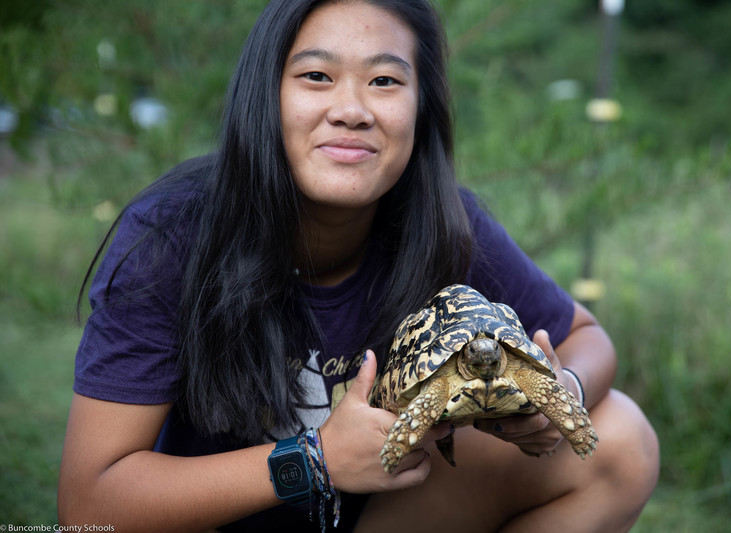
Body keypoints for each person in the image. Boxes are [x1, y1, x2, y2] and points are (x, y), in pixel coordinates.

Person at [58, 0, 660, 531]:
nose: (352, 109)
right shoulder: (173, 236)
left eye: (385, 81)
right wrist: (314, 458)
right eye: (316, 76)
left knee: (622, 440)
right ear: (264, 96)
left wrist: (559, 397)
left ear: (422, 107)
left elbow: (586, 336)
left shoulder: (443, 224)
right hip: (214, 517)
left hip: (386, 513)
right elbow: (88, 506)